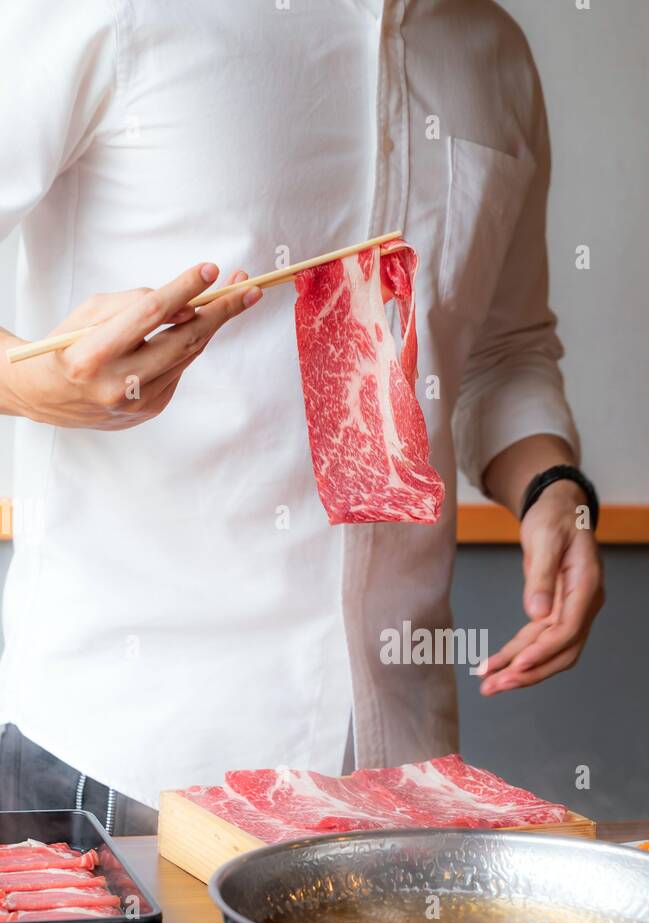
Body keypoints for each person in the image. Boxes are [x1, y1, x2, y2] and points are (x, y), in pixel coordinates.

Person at [0, 0, 603, 835]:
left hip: (399, 773)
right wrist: (30, 385)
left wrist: (551, 488)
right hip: (131, 750)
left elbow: (504, 349)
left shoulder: (492, 52)